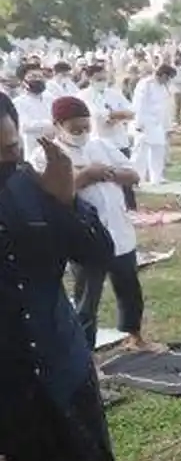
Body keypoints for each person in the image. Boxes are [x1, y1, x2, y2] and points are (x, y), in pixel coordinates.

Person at [0, 92, 174, 461]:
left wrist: (66, 197)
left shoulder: (32, 186)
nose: (4, 164)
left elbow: (96, 251)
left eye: (6, 151)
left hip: (60, 358)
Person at [33, 96, 157, 353]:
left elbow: (133, 175)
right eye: (74, 129)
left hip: (119, 232)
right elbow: (53, 194)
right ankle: (85, 354)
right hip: (83, 238)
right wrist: (87, 174)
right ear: (57, 125)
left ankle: (135, 337)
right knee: (87, 299)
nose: (82, 133)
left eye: (85, 127)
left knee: (129, 289)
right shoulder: (46, 154)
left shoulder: (102, 145)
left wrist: (106, 172)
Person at [83, 63, 137, 209]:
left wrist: (116, 116)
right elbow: (95, 114)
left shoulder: (113, 93)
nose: (102, 81)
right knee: (108, 176)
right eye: (98, 78)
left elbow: (130, 110)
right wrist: (115, 115)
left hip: (119, 140)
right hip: (99, 139)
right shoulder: (84, 95)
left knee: (126, 173)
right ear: (89, 78)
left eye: (103, 78)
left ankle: (130, 207)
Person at [131, 64, 174, 186]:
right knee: (140, 153)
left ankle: (157, 177)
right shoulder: (145, 84)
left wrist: (168, 127)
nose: (168, 81)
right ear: (163, 75)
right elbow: (139, 104)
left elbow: (166, 107)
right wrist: (139, 123)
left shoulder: (164, 87)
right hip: (144, 123)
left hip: (158, 123)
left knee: (158, 150)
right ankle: (137, 178)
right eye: (168, 78)